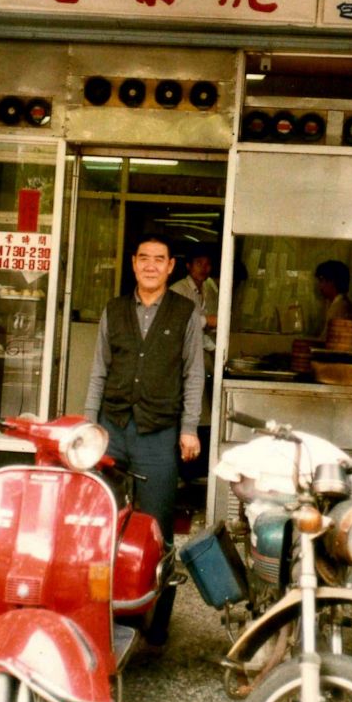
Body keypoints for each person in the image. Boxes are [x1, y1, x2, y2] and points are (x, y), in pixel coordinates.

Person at [84, 234, 204, 645]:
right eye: (144, 258)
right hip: (112, 428)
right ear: (133, 264)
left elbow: (194, 375)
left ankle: (156, 625)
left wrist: (189, 428)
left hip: (159, 432)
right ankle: (100, 610)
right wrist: (89, 427)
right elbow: (98, 371)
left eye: (160, 259)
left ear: (172, 267)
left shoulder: (186, 312)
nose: (151, 265)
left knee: (158, 529)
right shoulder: (114, 310)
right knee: (101, 522)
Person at [170, 244, 218, 481]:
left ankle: (194, 473)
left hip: (206, 361)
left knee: (203, 415)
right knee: (188, 412)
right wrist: (207, 322)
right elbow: (182, 325)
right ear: (188, 266)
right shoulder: (178, 290)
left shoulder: (210, 289)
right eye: (199, 263)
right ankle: (183, 473)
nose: (204, 268)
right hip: (184, 362)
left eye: (207, 263)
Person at [315, 259, 352, 336]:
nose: (320, 286)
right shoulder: (340, 304)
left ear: (332, 281)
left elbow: (327, 340)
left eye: (321, 280)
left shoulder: (339, 307)